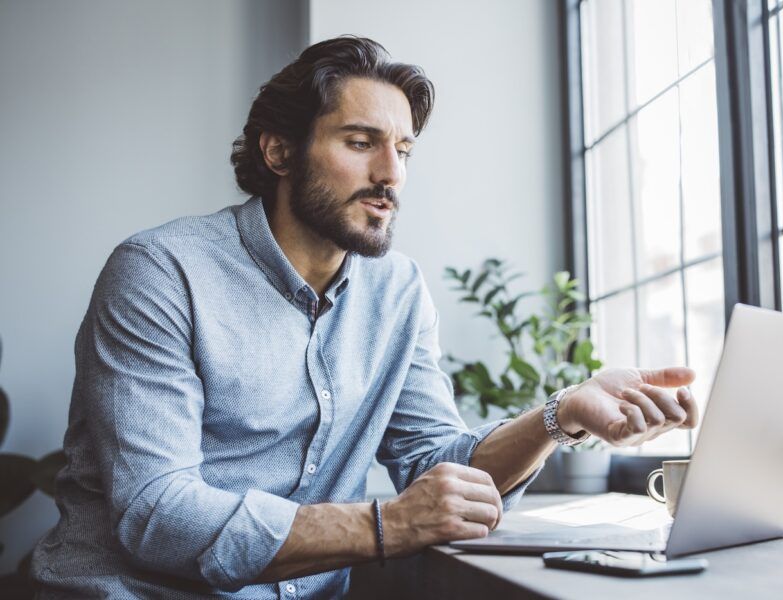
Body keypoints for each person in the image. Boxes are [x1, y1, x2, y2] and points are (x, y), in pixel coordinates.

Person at [30, 36, 698, 599]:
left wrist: (562, 415)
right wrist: (387, 526)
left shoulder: (397, 290)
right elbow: (160, 515)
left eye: (403, 150)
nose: (392, 175)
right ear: (279, 152)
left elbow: (434, 465)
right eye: (361, 142)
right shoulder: (160, 272)